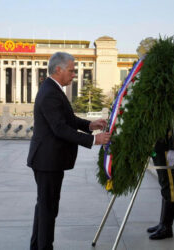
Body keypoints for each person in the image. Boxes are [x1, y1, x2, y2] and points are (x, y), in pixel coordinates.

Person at [26, 52, 111, 250]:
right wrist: (93, 140)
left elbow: (69, 120)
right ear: (58, 69)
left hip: (49, 160)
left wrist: (90, 125)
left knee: (45, 207)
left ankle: (37, 246)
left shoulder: (54, 90)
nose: (74, 75)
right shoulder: (49, 92)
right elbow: (60, 128)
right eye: (71, 71)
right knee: (48, 209)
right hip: (47, 161)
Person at [147, 118, 174, 240]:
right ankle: (162, 223)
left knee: (170, 187)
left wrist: (173, 147)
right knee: (164, 184)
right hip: (158, 148)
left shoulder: (169, 98)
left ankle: (167, 227)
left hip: (167, 148)